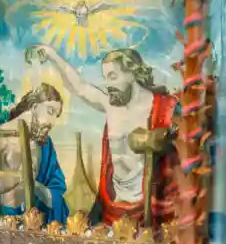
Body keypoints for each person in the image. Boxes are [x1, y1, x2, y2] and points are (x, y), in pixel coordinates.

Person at [26, 45, 177, 227]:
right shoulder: (110, 103)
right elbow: (79, 87)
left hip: (149, 202)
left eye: (112, 77)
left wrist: (161, 139)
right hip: (114, 201)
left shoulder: (164, 107)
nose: (108, 85)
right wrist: (51, 55)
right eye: (105, 78)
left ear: (131, 73)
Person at [0, 83, 69, 225]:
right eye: (50, 111)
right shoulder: (0, 137)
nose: (52, 122)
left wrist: (37, 187)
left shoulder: (44, 142)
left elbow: (55, 182)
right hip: (9, 217)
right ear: (34, 107)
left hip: (37, 214)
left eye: (56, 116)